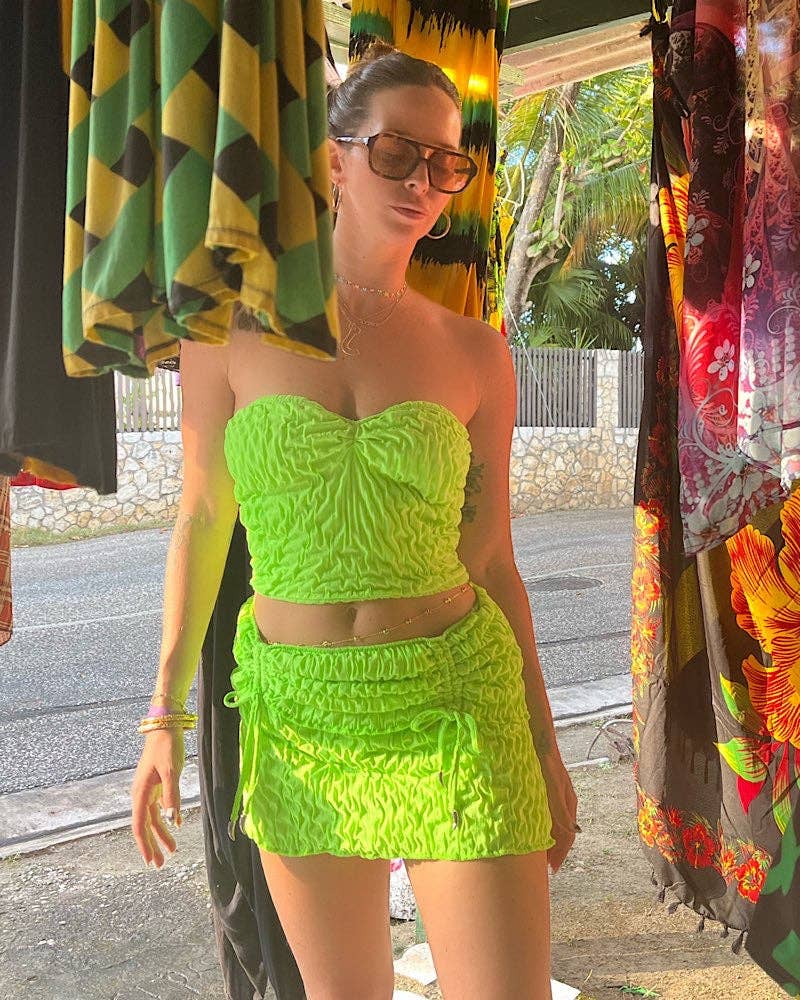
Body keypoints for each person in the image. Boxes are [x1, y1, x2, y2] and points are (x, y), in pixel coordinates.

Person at [130, 42, 578, 1000]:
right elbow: (201, 519)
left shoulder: (475, 351)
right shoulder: (226, 333)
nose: (422, 180)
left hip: (456, 703)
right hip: (300, 718)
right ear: (335, 159)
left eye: (446, 163)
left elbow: (492, 559)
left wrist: (544, 743)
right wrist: (163, 715)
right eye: (396, 152)